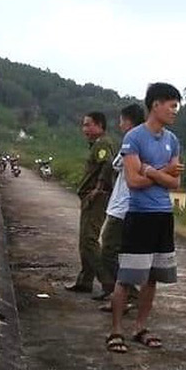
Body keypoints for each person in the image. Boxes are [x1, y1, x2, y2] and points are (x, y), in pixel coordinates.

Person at [107, 83, 183, 353]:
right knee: (127, 276)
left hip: (163, 215)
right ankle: (116, 330)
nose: (175, 111)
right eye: (171, 105)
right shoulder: (134, 138)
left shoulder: (172, 140)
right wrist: (161, 172)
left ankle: (140, 326)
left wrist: (151, 170)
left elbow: (175, 183)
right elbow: (133, 180)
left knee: (152, 277)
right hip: (139, 215)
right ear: (155, 105)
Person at [95, 103, 146, 302]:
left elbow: (116, 164)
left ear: (129, 121)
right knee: (120, 251)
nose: (120, 125)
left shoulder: (133, 141)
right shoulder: (144, 141)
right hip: (128, 205)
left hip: (123, 205)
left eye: (122, 120)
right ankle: (123, 293)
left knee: (108, 249)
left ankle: (126, 293)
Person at [65, 112, 116, 293]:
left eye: (89, 125)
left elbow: (108, 164)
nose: (85, 129)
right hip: (90, 197)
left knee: (89, 240)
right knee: (84, 240)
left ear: (100, 126)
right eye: (84, 125)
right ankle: (85, 280)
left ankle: (107, 282)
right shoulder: (96, 145)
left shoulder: (102, 144)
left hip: (97, 197)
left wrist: (98, 188)